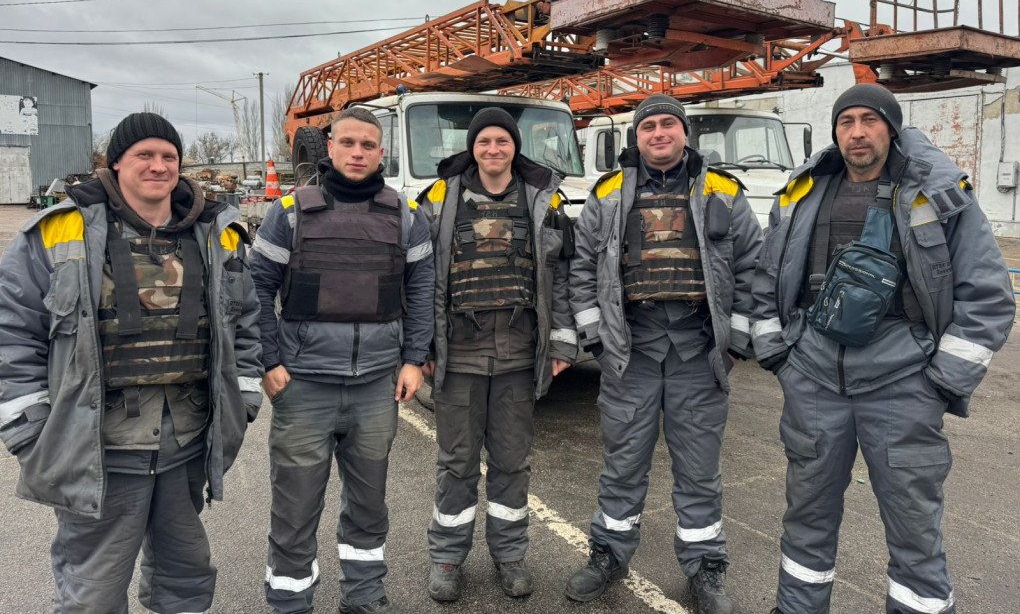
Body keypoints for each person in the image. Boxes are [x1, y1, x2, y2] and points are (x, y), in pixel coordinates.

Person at [751, 83, 1015, 614]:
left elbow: (988, 295)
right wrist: (781, 356)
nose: (857, 132)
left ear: (890, 130)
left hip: (902, 382)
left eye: (869, 120)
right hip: (816, 379)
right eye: (845, 122)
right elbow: (768, 276)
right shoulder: (805, 192)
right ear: (834, 133)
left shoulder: (936, 195)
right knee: (806, 515)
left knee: (914, 526)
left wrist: (940, 381)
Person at [0, 111, 264, 613]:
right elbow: (12, 329)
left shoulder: (217, 234)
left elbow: (247, 322)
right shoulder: (59, 232)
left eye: (169, 156)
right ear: (115, 161)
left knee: (185, 578)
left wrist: (243, 400)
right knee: (93, 593)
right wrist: (29, 428)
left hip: (185, 441)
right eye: (144, 153)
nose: (158, 165)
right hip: (100, 446)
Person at [567, 94, 762, 614]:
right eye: (648, 125)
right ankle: (608, 555)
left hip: (698, 353)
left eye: (668, 124)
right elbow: (582, 267)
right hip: (631, 351)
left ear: (684, 133)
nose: (658, 133)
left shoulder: (723, 191)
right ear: (637, 136)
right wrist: (595, 338)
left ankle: (704, 568)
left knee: (699, 470)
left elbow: (752, 268)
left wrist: (736, 341)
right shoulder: (607, 194)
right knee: (622, 464)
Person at [251, 107, 435, 614]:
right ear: (329, 147)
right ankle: (290, 604)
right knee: (294, 510)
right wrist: (268, 361)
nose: (358, 153)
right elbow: (255, 291)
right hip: (304, 387)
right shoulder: (288, 211)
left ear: (382, 153)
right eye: (348, 143)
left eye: (368, 145)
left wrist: (414, 359)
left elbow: (421, 292)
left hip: (376, 386)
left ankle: (365, 599)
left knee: (369, 507)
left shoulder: (406, 214)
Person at [417, 107, 576, 602]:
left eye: (502, 141)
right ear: (472, 147)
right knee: (457, 463)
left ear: (514, 147)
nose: (492, 149)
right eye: (484, 141)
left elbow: (564, 275)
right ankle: (447, 556)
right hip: (458, 356)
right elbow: (418, 277)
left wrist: (563, 341)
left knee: (511, 462)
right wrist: (420, 345)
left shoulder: (544, 199)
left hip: (517, 354)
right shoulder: (437, 200)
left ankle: (510, 556)